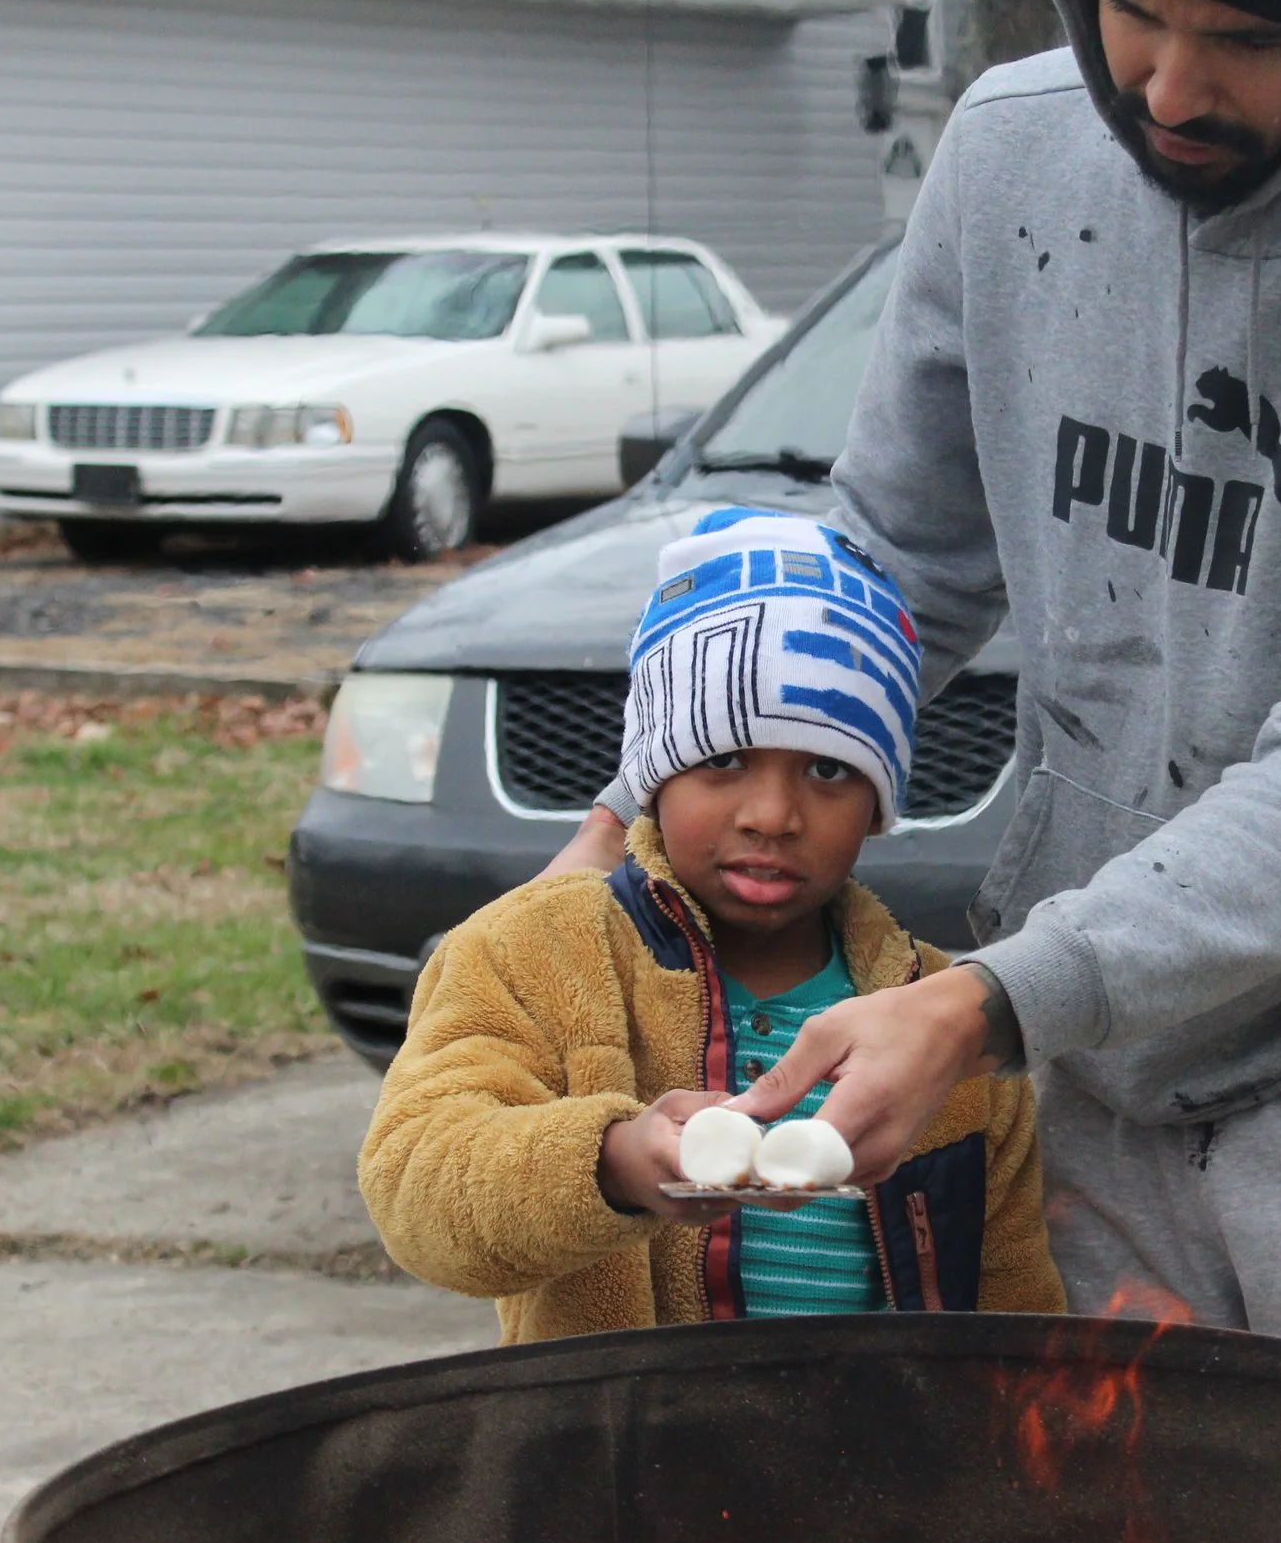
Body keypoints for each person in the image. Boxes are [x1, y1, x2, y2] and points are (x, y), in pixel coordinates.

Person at [549, 0, 1281, 1543]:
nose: (1171, 83)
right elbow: (900, 561)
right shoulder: (1006, 157)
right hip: (1114, 1050)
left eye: (1251, 37)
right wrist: (640, 822)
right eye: (1133, 8)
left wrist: (985, 1001)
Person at [361, 509, 1064, 1341]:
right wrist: (612, 1161)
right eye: (724, 760)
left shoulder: (938, 1024)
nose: (772, 815)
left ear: (880, 804)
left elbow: (1018, 1308)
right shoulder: (536, 952)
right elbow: (419, 1184)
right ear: (653, 775)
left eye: (830, 769)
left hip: (880, 1460)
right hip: (623, 1459)